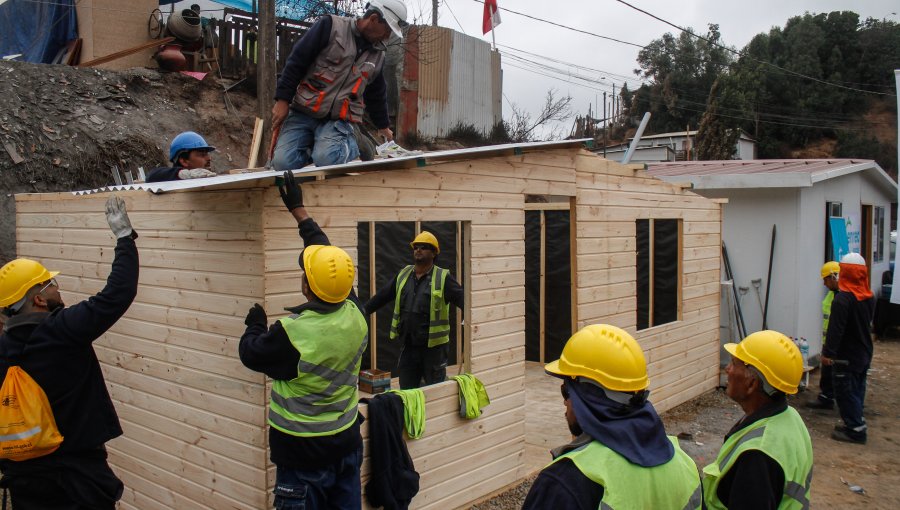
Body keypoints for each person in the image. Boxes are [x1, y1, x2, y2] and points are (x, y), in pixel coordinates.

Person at [239, 171, 368, 509]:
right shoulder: (356, 313)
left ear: (308, 287)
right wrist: (299, 210)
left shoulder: (292, 334)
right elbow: (328, 260)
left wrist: (254, 325)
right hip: (346, 446)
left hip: (304, 458)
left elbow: (251, 354)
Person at [0, 196, 138, 509]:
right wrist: (124, 239)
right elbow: (117, 294)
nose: (57, 288)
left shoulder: (4, 350)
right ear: (37, 300)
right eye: (50, 284)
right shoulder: (62, 331)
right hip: (77, 483)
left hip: (25, 484)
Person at [522, 324, 702, 509]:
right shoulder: (685, 466)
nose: (565, 403)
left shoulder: (565, 483)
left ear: (588, 398)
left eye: (567, 392)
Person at [270, 0, 408, 170]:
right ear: (373, 19)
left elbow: (377, 93)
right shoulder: (330, 27)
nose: (387, 37)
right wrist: (282, 100)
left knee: (327, 159)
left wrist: (383, 126)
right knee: (283, 164)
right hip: (305, 111)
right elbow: (297, 62)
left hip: (340, 119)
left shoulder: (378, 55)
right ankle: (319, 147)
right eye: (387, 30)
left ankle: (357, 142)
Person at [703, 330, 813, 509]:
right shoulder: (790, 416)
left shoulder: (756, 456)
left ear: (752, 383)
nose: (727, 369)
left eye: (733, 363)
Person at [364, 231, 463, 389]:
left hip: (433, 350)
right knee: (407, 391)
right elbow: (382, 296)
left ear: (434, 253)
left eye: (424, 247)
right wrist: (362, 311)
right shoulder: (403, 274)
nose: (418, 250)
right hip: (409, 346)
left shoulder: (443, 277)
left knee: (434, 391)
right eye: (416, 247)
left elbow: (465, 300)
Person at [821, 252, 875, 445]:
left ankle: (855, 431)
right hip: (863, 351)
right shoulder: (868, 296)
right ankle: (855, 422)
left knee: (846, 391)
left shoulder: (843, 300)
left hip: (847, 355)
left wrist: (828, 353)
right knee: (858, 388)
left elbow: (836, 330)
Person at [807, 261, 840, 410]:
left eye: (826, 279)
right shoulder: (832, 295)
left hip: (837, 343)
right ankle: (826, 397)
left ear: (834, 277)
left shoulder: (842, 298)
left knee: (839, 375)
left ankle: (836, 400)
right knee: (828, 373)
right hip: (829, 341)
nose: (824, 283)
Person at [146, 131, 217, 182]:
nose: (209, 158)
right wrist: (184, 174)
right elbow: (151, 176)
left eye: (207, 154)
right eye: (202, 155)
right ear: (184, 161)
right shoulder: (172, 184)